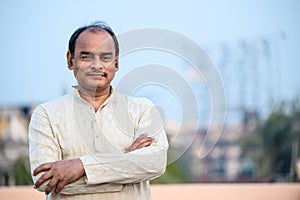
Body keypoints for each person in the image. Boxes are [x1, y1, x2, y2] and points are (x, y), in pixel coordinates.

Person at [28, 21, 168, 200]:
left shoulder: (142, 109)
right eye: (86, 57)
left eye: (106, 57)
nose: (97, 65)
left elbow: (154, 163)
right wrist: (125, 158)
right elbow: (45, 181)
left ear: (116, 63)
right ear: (71, 60)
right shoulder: (46, 114)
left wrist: (81, 166)